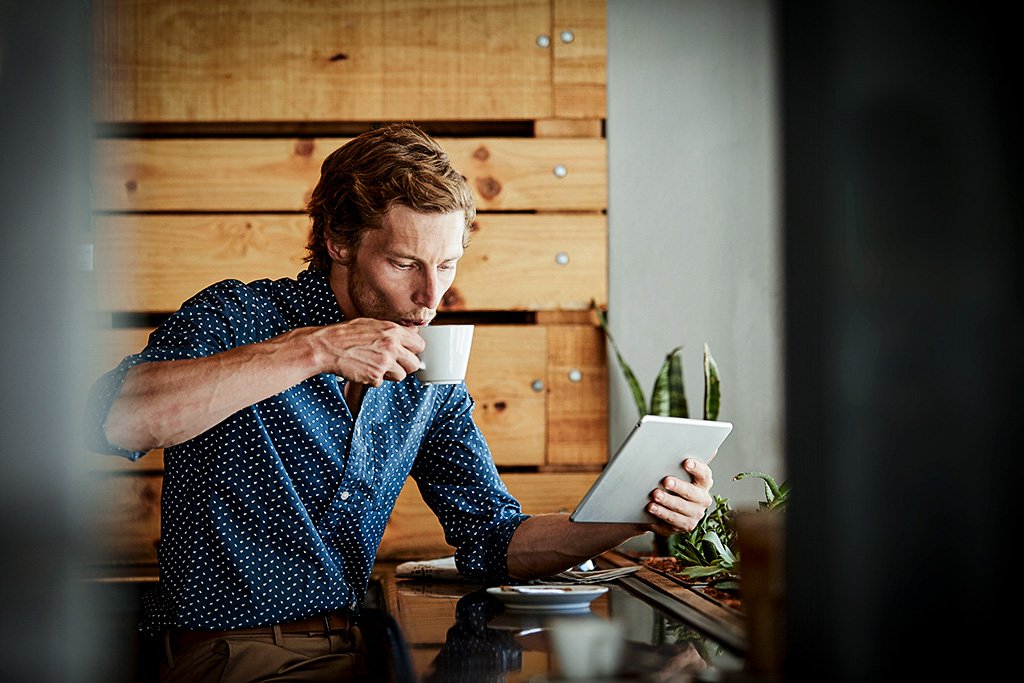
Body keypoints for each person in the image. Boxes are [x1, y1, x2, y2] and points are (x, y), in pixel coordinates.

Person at [85, 123, 715, 682]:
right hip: (233, 656)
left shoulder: (428, 376)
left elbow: (494, 538)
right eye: (404, 262)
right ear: (337, 239)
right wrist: (317, 351)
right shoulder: (239, 318)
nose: (430, 295)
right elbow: (114, 420)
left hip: (365, 646)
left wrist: (636, 512)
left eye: (447, 265)